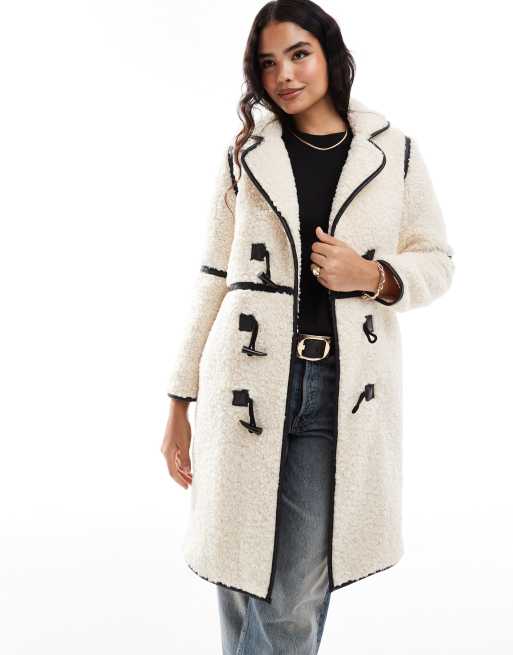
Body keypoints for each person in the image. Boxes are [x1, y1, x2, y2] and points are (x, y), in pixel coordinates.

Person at [161, 1, 455, 653]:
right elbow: (213, 274)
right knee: (239, 581)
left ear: (329, 54)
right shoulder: (246, 153)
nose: (285, 75)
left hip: (339, 391)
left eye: (299, 54)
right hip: (242, 387)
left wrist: (371, 274)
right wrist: (179, 401)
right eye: (268, 64)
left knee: (291, 598)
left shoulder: (393, 153)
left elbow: (436, 260)